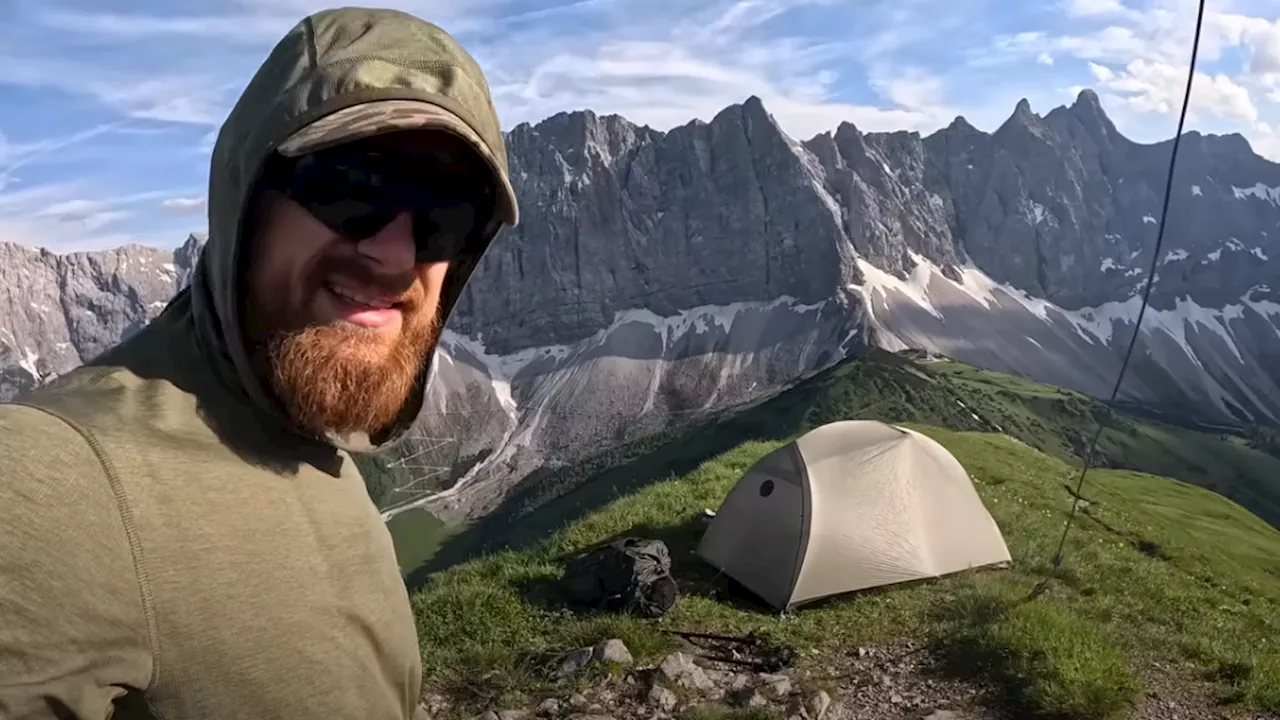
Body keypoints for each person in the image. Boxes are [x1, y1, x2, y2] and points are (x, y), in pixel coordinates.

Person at [0, 7, 518, 719]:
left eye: (445, 216)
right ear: (245, 195)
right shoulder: (48, 474)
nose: (395, 253)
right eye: (353, 187)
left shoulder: (307, 425)